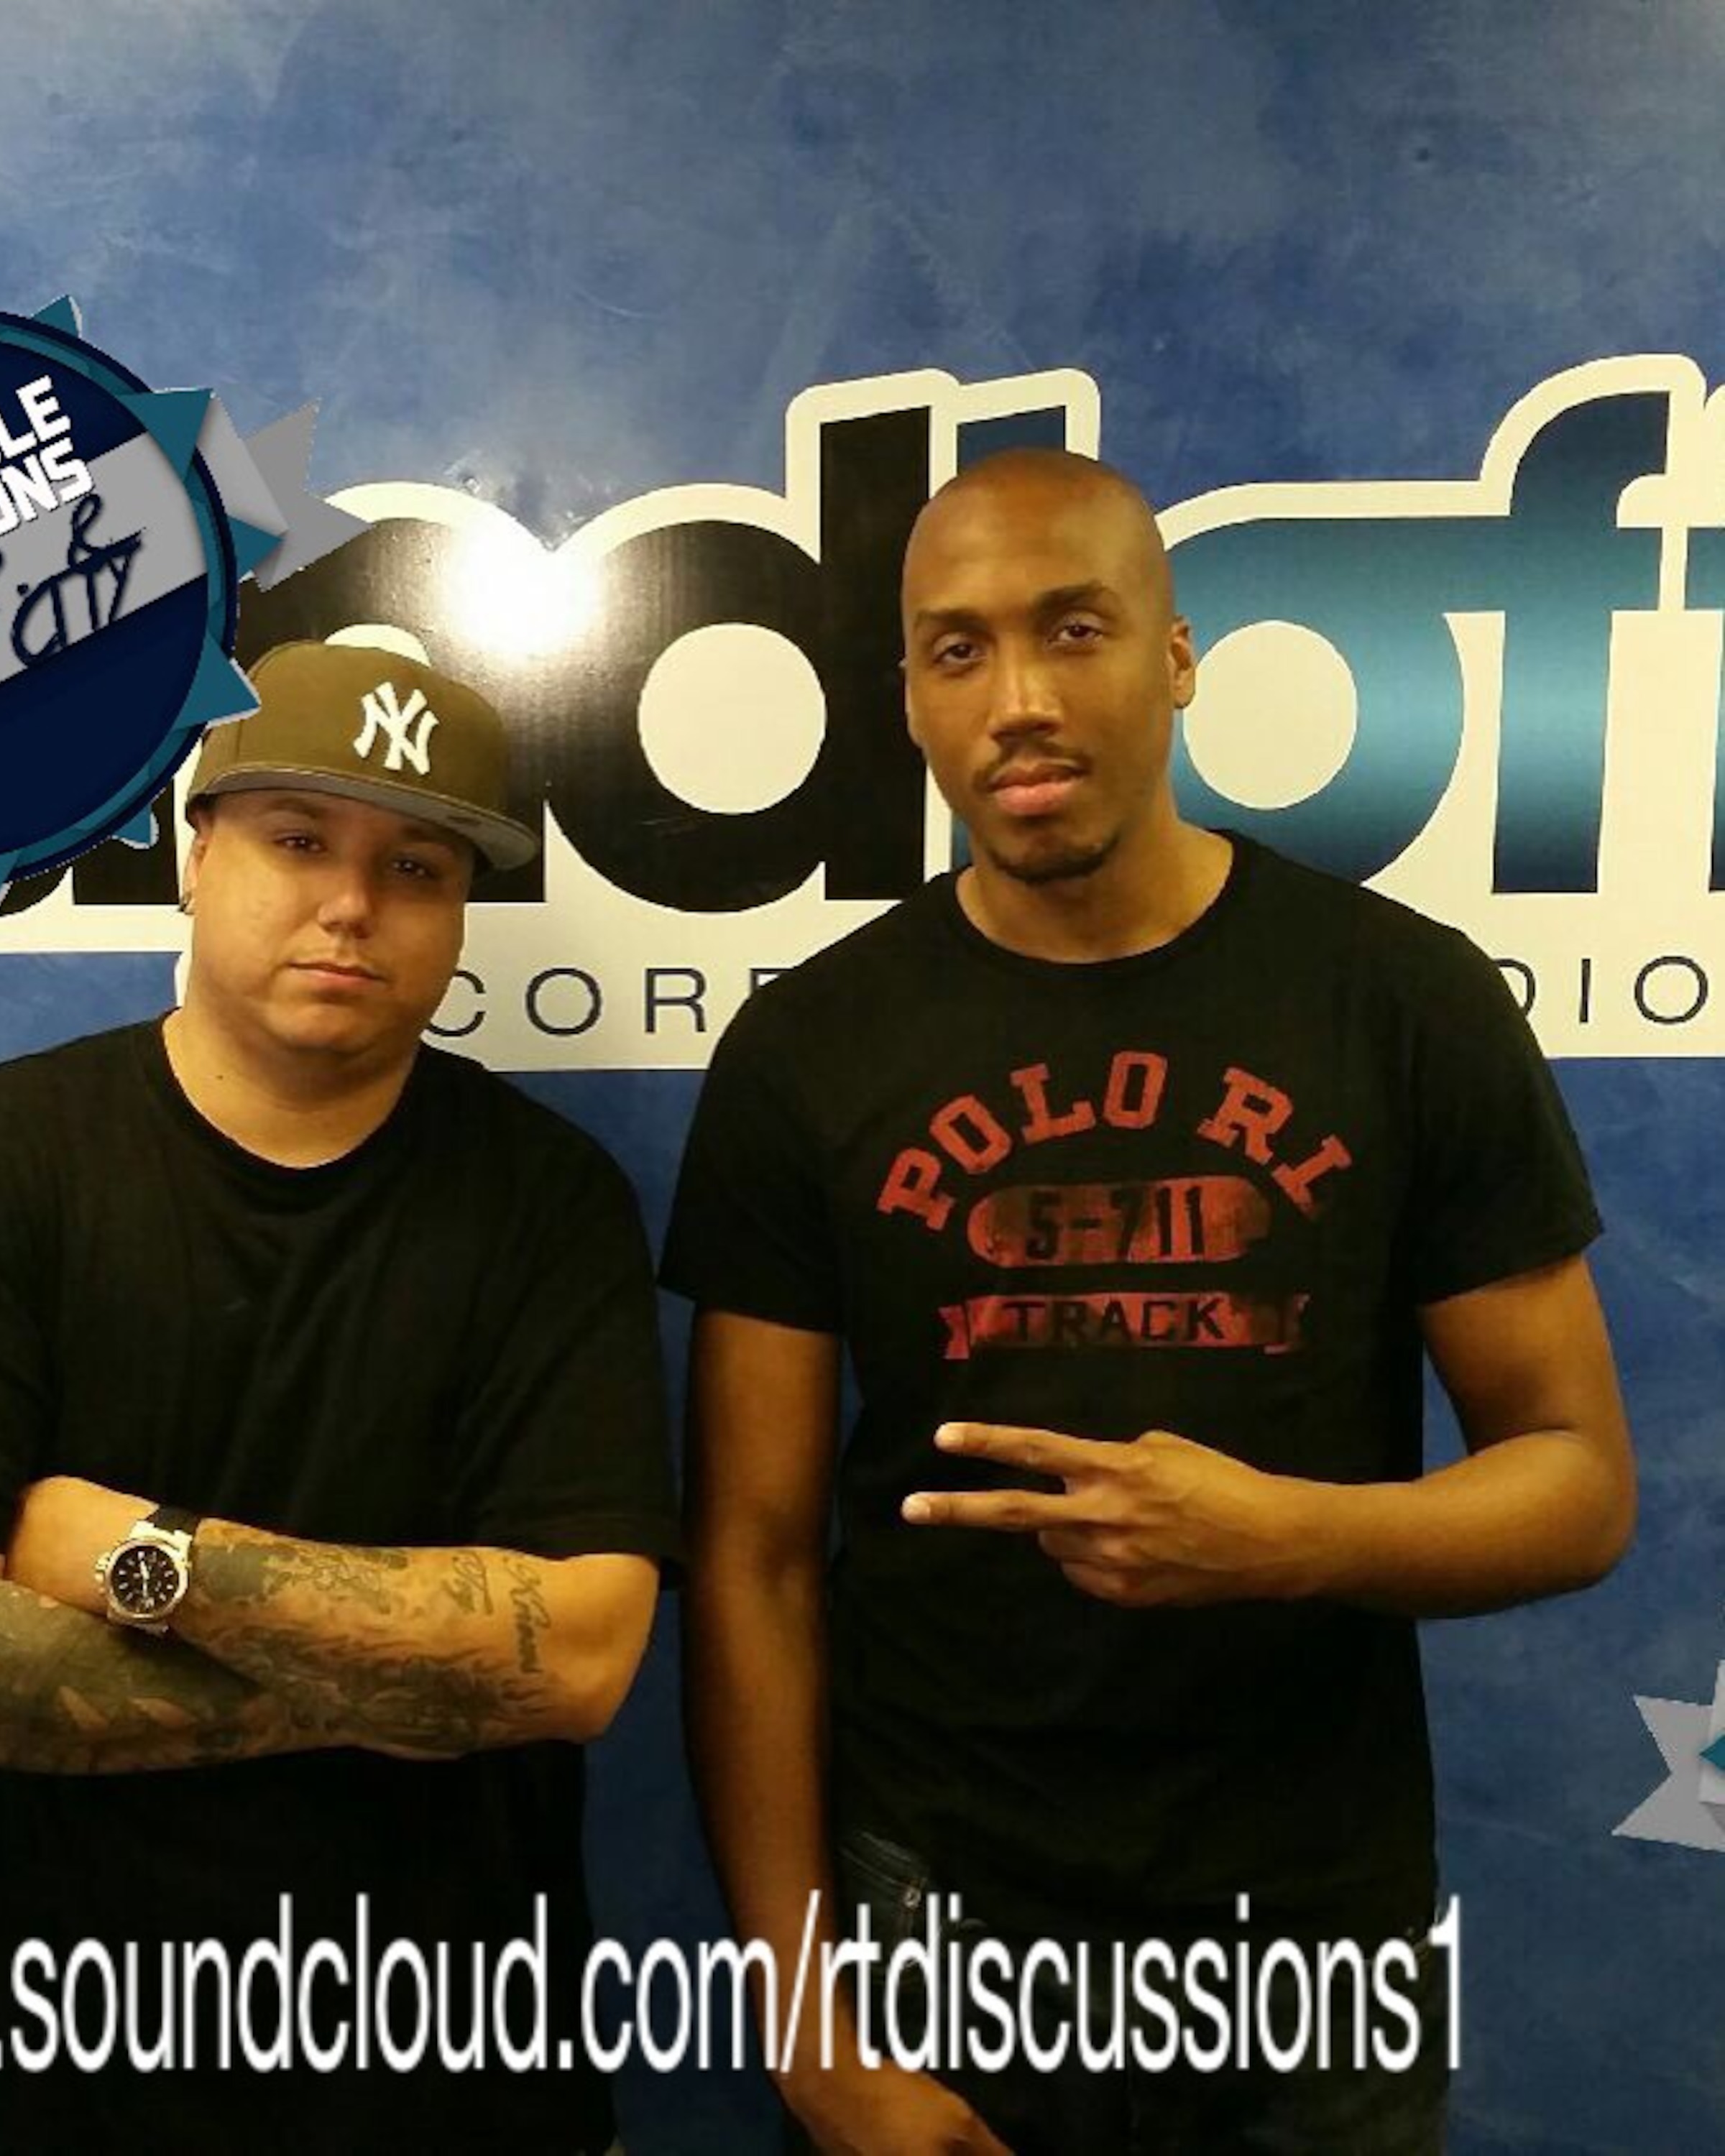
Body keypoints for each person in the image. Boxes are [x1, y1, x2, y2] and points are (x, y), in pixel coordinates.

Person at [663, 448, 1635, 2155]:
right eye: (958, 650)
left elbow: (1578, 1483)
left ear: (1176, 657)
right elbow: (752, 1560)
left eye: (1075, 629)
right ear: (909, 698)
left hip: (1312, 1949)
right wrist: (811, 2033)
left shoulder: (1401, 1002)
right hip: (939, 1932)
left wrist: (1286, 1538)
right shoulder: (809, 1048)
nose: (1020, 703)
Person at [0, 639, 678, 2155]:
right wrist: (396, 1688)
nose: (352, 903)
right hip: (28, 2074)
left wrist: (145, 1559)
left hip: (444, 2078)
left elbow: (578, 1664)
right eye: (299, 840)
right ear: (198, 857)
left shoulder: (549, 1203)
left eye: (415, 867)